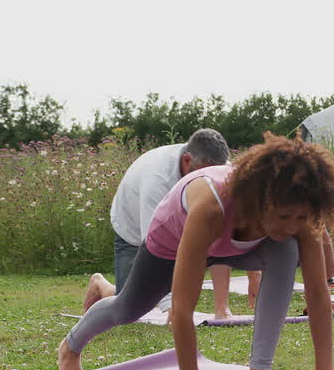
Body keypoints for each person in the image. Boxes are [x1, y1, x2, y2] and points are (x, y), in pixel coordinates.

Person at [58, 133, 334, 370]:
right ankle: (69, 348)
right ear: (260, 203)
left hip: (239, 244)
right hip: (171, 244)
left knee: (286, 250)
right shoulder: (211, 207)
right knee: (128, 308)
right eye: (283, 216)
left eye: (301, 216)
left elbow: (317, 292)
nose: (292, 225)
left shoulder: (301, 218)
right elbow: (183, 308)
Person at [82, 128, 261, 319]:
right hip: (133, 228)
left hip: (176, 221)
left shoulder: (221, 171)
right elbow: (154, 246)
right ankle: (101, 284)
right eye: (203, 173)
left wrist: (253, 272)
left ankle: (221, 309)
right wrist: (172, 308)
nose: (209, 181)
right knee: (129, 308)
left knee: (217, 234)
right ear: (186, 161)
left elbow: (233, 227)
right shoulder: (157, 181)